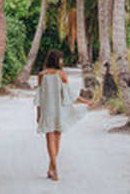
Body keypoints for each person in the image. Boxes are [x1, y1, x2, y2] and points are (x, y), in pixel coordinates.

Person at [34, 49, 92, 181]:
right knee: (57, 139)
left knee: (49, 140)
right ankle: (55, 168)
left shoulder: (41, 75)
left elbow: (39, 97)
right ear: (56, 60)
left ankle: (51, 169)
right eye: (60, 58)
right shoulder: (61, 75)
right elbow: (70, 95)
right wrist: (85, 101)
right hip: (59, 111)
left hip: (47, 110)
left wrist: (38, 114)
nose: (62, 61)